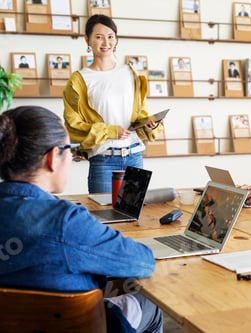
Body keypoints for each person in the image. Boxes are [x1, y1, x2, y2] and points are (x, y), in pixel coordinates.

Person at [0, 105, 163, 332]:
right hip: (77, 325)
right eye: (70, 149)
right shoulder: (65, 221)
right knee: (150, 305)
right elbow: (143, 262)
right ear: (52, 158)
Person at [63, 14, 163, 193]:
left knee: (135, 219)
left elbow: (140, 112)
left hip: (134, 156)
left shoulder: (130, 72)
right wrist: (109, 131)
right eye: (99, 37)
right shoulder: (79, 80)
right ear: (87, 39)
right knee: (103, 218)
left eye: (110, 37)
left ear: (116, 39)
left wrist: (148, 124)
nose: (106, 42)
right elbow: (73, 126)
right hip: (103, 160)